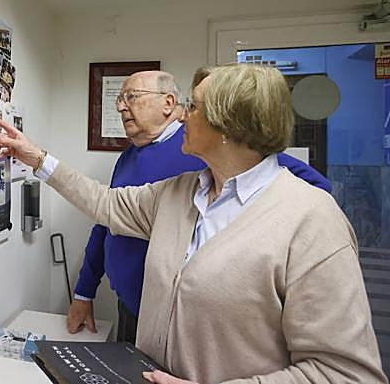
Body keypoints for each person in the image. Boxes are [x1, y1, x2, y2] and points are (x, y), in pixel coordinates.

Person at [0, 63, 387, 384]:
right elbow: (106, 205)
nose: (183, 114)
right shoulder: (178, 193)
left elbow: (346, 374)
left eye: (193, 107)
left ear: (230, 125)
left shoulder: (313, 220)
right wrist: (37, 158)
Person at [66, 70, 332, 344]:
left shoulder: (203, 148)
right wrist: (84, 292)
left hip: (180, 322)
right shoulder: (129, 156)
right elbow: (107, 220)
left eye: (131, 97)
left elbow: (311, 184)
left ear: (168, 102)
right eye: (120, 99)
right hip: (131, 309)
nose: (122, 106)